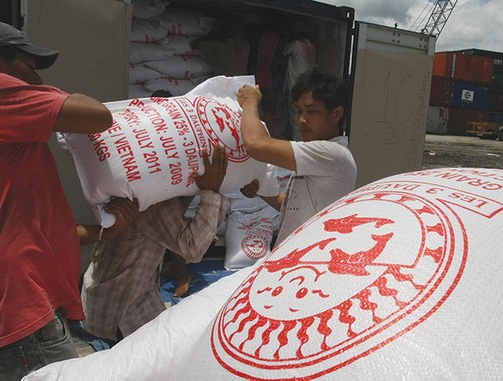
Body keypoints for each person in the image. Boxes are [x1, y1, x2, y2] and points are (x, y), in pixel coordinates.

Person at [0, 21, 139, 380]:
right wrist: (44, 93)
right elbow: (97, 115)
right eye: (28, 68)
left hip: (17, 304)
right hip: (23, 307)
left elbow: (31, 229)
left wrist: (105, 232)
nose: (34, 80)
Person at [81, 145, 231, 342]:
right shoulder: (152, 203)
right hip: (123, 312)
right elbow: (193, 249)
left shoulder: (140, 188)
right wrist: (211, 191)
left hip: (110, 296)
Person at [238, 68, 357, 246]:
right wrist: (261, 192)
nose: (301, 120)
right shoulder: (320, 156)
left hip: (309, 257)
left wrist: (250, 102)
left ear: (336, 114)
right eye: (299, 111)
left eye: (311, 111)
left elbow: (256, 144)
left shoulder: (333, 154)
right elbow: (291, 208)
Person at [282, 20, 317, 141]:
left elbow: (284, 51)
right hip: (306, 86)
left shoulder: (296, 45)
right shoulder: (312, 48)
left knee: (294, 117)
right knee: (304, 116)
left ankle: (296, 143)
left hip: (294, 85)